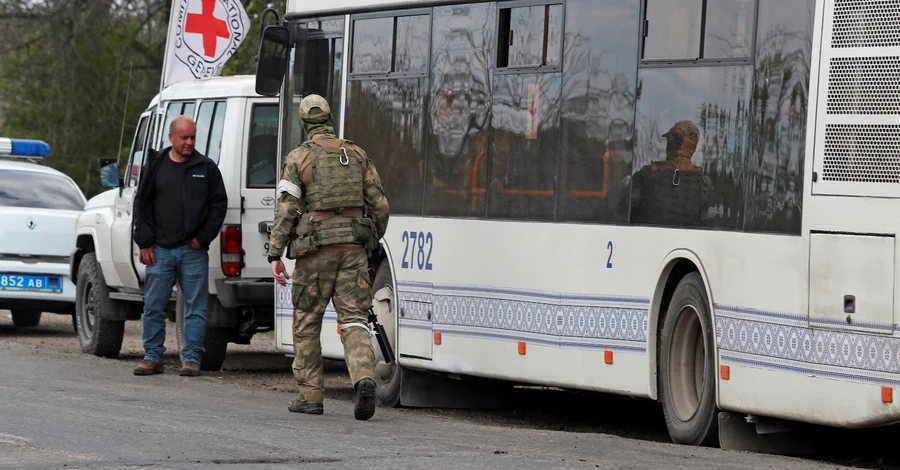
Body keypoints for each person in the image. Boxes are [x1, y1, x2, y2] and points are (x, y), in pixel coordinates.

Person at [268, 94, 390, 421]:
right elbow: (379, 205)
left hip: (315, 253)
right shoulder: (357, 155)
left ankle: (311, 397)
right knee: (354, 321)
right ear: (330, 119)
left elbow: (286, 210)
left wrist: (276, 252)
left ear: (304, 123)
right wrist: (371, 238)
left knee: (307, 322)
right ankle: (364, 378)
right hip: (353, 251)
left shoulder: (299, 158)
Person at [131, 116, 228, 377]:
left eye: (192, 137)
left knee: (196, 307)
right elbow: (142, 205)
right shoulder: (156, 165)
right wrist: (145, 242)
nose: (189, 142)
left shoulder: (206, 168)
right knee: (154, 306)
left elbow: (219, 205)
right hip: (159, 250)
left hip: (193, 251)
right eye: (184, 137)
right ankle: (152, 357)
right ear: (171, 137)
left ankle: (192, 359)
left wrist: (202, 237)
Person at [628, 120, 713, 226]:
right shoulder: (704, 182)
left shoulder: (647, 173)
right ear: (693, 148)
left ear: (672, 141)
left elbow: (623, 210)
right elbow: (708, 221)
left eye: (668, 139)